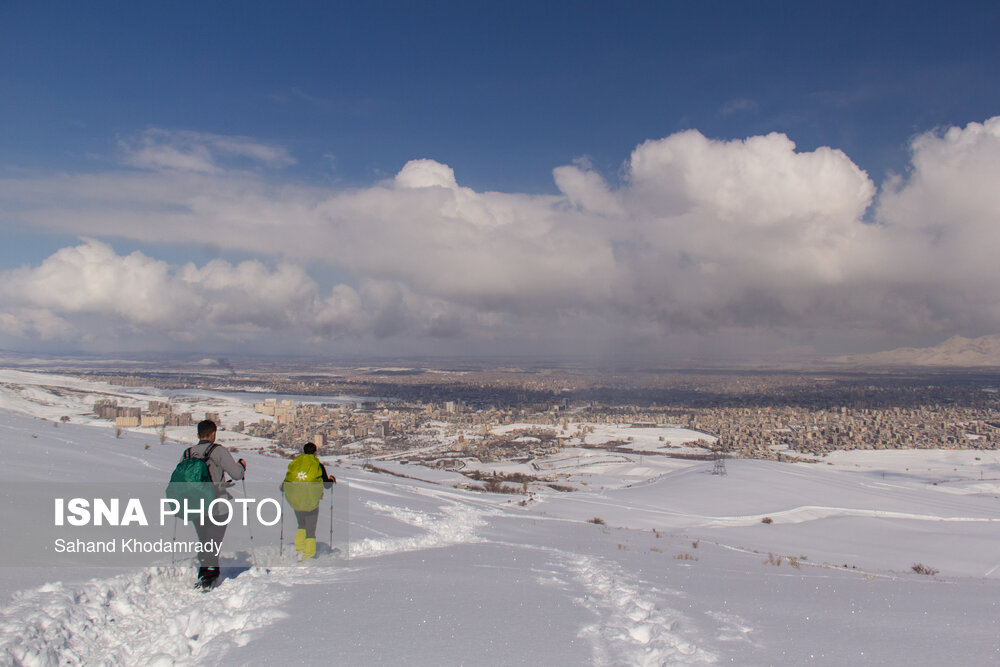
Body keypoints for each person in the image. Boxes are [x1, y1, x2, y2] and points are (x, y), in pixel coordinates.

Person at [181, 419, 246, 589]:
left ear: (198, 434)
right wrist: (242, 466)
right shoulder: (218, 451)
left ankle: (207, 572)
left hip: (195, 504)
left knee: (205, 540)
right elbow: (237, 474)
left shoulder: (188, 453)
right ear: (213, 434)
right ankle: (208, 576)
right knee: (213, 542)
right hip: (217, 505)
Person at [281, 442, 335, 561]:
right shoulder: (318, 466)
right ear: (315, 452)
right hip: (311, 501)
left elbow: (287, 481)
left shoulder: (295, 464)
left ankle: (299, 549)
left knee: (301, 525)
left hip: (296, 500)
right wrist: (331, 480)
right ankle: (308, 554)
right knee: (310, 529)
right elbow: (327, 485)